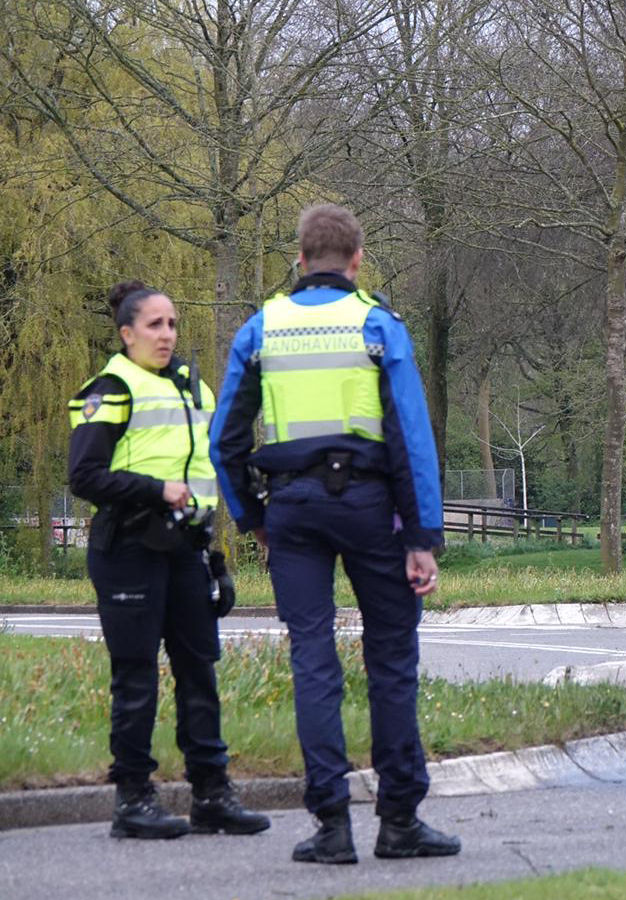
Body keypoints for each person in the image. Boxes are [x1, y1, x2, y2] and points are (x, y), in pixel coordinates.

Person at [211, 203, 459, 865]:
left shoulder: (261, 329)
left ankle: (330, 827)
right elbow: (411, 438)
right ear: (357, 260)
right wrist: (421, 538)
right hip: (371, 506)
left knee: (313, 661)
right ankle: (399, 821)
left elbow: (225, 441)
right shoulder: (378, 325)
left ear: (299, 259)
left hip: (292, 509)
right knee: (391, 660)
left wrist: (254, 519)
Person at [67, 280, 270, 840]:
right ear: (127, 333)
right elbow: (84, 475)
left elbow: (204, 473)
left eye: (173, 324)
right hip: (129, 548)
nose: (167, 335)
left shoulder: (191, 387)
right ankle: (133, 801)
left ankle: (212, 795)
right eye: (154, 325)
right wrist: (156, 490)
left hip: (186, 548)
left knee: (199, 671)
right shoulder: (111, 388)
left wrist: (216, 551)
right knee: (136, 678)